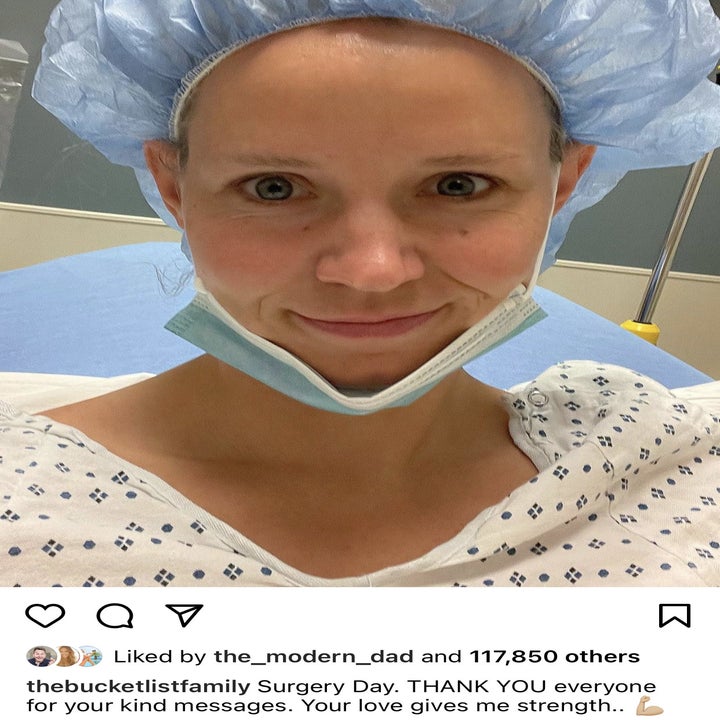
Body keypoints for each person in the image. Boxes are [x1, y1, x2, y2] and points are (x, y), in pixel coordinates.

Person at [1, 0, 719, 587]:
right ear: (173, 188)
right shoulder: (24, 504)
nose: (373, 270)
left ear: (562, 184)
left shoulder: (661, 461)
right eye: (273, 187)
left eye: (458, 185)